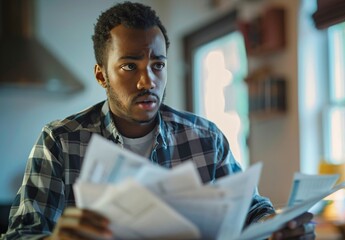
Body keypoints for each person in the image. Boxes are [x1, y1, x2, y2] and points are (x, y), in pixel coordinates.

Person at [2, 1, 315, 240]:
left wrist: (277, 227)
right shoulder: (60, 141)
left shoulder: (205, 137)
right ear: (101, 76)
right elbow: (20, 234)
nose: (147, 81)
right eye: (129, 67)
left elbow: (252, 210)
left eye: (158, 65)